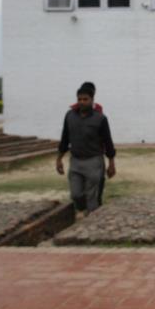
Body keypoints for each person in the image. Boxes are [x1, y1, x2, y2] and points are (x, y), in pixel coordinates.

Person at [56, 85, 116, 216]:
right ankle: (85, 211)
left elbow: (108, 142)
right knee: (76, 195)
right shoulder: (70, 116)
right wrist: (59, 159)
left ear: (92, 100)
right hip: (76, 162)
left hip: (94, 162)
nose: (82, 102)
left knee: (92, 198)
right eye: (79, 99)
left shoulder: (100, 119)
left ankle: (91, 224)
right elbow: (64, 139)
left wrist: (111, 163)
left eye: (85, 99)